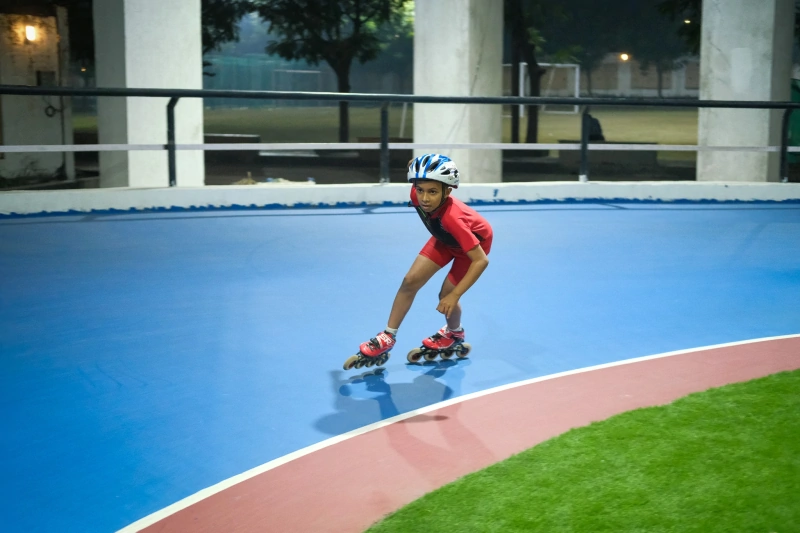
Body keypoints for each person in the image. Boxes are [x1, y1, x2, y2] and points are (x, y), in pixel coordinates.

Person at [346, 154, 493, 369]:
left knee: (445, 295)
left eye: (433, 192)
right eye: (420, 190)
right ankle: (388, 336)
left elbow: (480, 261)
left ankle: (454, 334)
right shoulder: (417, 193)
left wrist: (455, 295)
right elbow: (416, 173)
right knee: (410, 281)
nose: (424, 198)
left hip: (470, 248)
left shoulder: (454, 218)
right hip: (444, 237)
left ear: (448, 191)